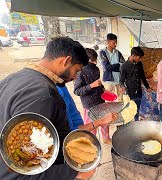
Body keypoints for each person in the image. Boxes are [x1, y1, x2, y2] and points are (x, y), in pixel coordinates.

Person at [0, 37, 117, 180]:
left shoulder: (13, 79)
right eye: (77, 70)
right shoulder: (42, 94)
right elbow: (23, 166)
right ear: (66, 61)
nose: (75, 77)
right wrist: (73, 173)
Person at [74, 48, 113, 144]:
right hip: (89, 105)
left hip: (100, 101)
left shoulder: (96, 69)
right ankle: (90, 142)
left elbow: (98, 83)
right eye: (92, 61)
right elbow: (77, 91)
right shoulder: (80, 72)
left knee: (105, 122)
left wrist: (103, 89)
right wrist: (91, 85)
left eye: (95, 60)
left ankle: (106, 138)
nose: (94, 62)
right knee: (91, 126)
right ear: (86, 60)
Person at [120, 46, 150, 121]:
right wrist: (122, 86)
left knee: (137, 109)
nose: (140, 60)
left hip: (139, 91)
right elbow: (121, 80)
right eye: (139, 58)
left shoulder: (139, 64)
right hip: (130, 92)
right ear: (133, 56)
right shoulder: (124, 66)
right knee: (130, 109)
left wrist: (147, 87)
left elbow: (143, 76)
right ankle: (130, 123)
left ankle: (136, 122)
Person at [99, 33, 125, 102]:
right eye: (114, 42)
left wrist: (114, 66)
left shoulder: (118, 53)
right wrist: (118, 65)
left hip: (119, 80)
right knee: (109, 101)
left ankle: (120, 113)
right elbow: (107, 67)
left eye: (116, 42)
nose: (115, 44)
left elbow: (123, 65)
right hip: (109, 81)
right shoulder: (103, 53)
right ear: (108, 42)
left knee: (121, 100)